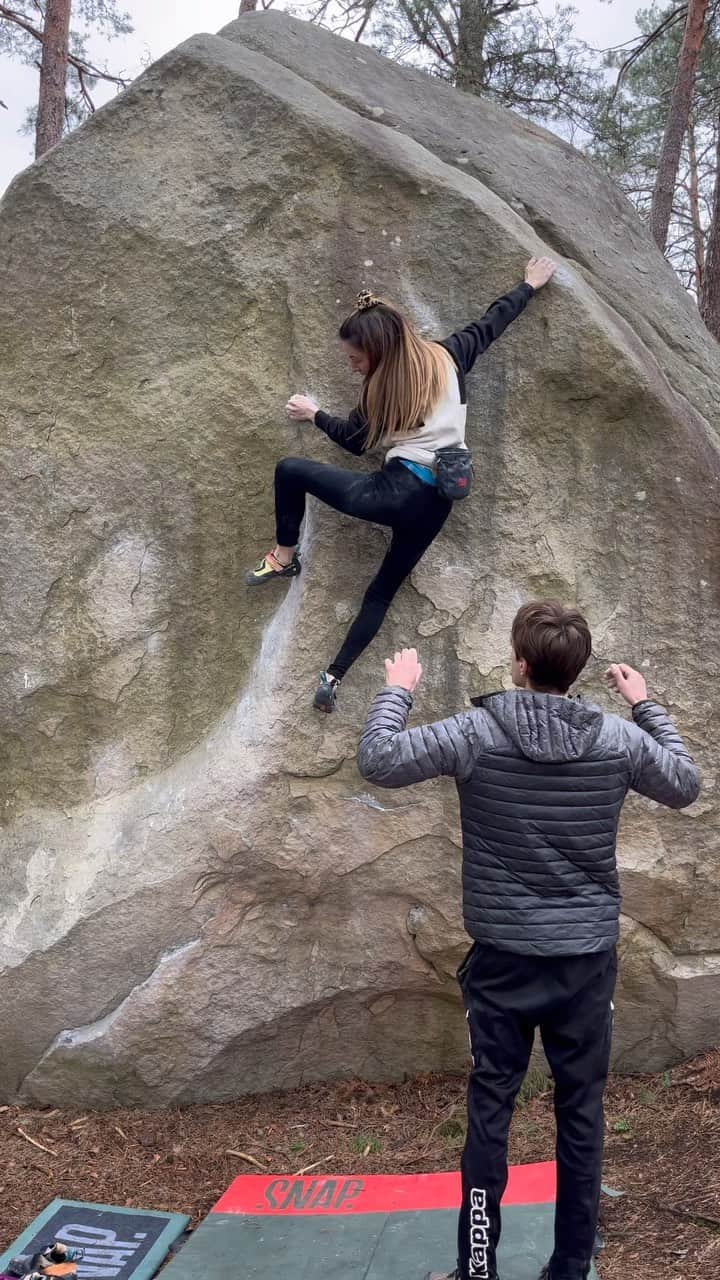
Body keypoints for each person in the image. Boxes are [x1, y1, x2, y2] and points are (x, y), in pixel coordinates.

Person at [356, 601, 700, 1280]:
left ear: (519, 664)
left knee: (491, 1110)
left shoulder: (477, 732)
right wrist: (645, 704)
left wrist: (398, 688)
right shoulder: (616, 738)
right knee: (580, 1113)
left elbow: (379, 757)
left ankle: (477, 1270)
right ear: (575, 672)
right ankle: (570, 1268)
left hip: (503, 964)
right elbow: (685, 783)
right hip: (584, 965)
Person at [245, 258, 557, 713]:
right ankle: (332, 679)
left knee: (290, 470)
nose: (353, 367)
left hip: (393, 493)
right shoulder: (450, 355)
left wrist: (314, 414)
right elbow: (494, 322)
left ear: (378, 352)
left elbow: (353, 443)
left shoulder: (380, 391)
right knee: (381, 592)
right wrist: (529, 284)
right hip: (438, 503)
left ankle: (284, 559)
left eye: (355, 359)